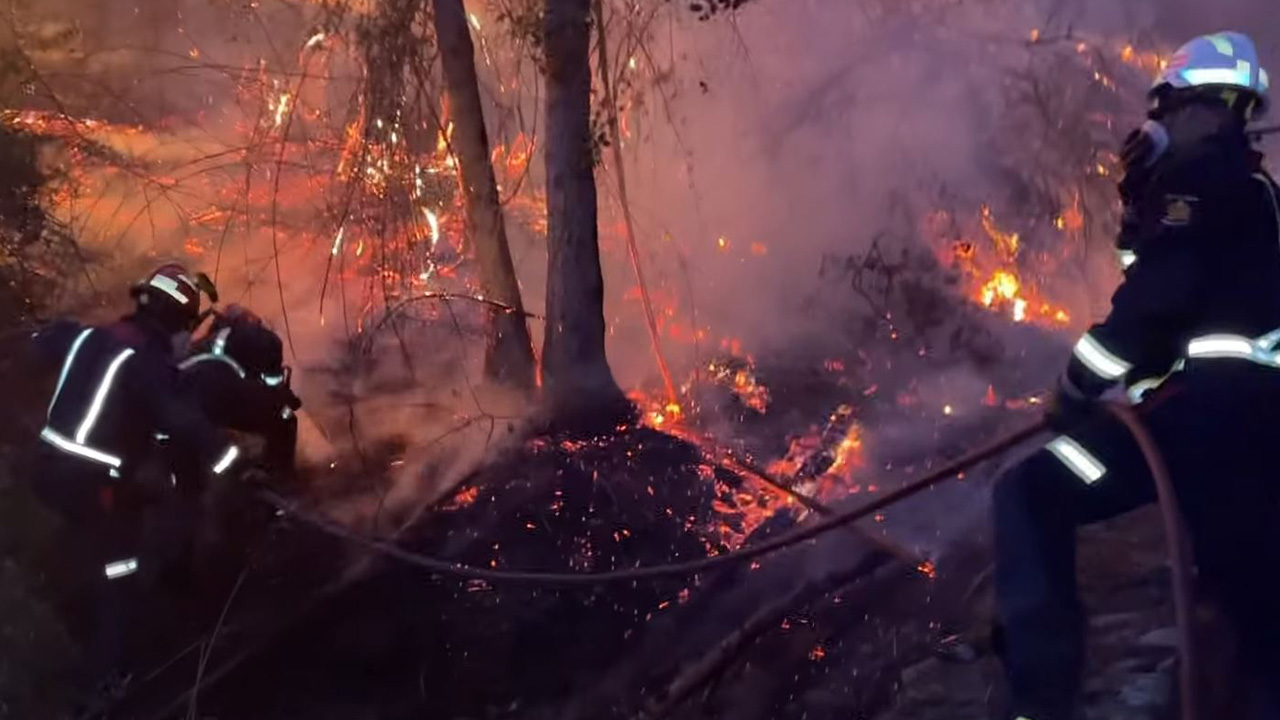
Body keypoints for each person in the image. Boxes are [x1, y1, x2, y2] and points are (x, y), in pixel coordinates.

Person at [993, 32, 1280, 720]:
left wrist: (1073, 390)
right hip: (1246, 434)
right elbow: (1171, 288)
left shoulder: (1197, 183)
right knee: (1253, 602)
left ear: (1189, 106)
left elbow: (1148, 313)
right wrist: (1135, 211)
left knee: (1030, 492)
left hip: (1197, 428)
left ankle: (1040, 704)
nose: (1156, 124)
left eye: (1165, 109)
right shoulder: (1251, 191)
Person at [31, 262, 241, 700]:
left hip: (45, 467)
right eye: (188, 324)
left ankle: (67, 584)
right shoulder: (148, 362)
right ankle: (107, 679)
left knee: (138, 502)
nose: (189, 335)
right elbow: (184, 421)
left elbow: (43, 342)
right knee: (119, 570)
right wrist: (234, 463)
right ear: (173, 318)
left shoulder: (90, 335)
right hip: (91, 482)